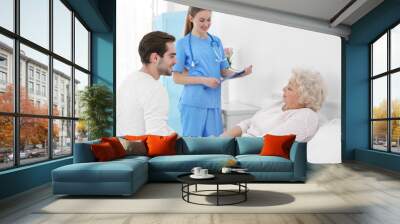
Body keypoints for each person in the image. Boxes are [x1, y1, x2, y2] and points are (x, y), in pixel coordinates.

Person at [172, 6, 253, 137]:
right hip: (193, 103)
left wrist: (241, 73)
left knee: (215, 147)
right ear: (191, 18)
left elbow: (224, 71)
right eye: (202, 20)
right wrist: (204, 80)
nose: (206, 24)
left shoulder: (216, 42)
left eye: (209, 20)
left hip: (214, 102)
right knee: (194, 148)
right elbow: (177, 78)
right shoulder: (183, 43)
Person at [222, 68, 326, 142]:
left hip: (252, 153)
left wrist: (233, 146)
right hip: (242, 144)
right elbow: (248, 123)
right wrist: (222, 138)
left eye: (289, 88)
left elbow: (269, 141)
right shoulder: (280, 104)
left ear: (304, 98)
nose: (283, 89)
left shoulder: (306, 116)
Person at [117, 31, 177, 136]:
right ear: (155, 58)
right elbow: (157, 137)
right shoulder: (155, 88)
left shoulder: (127, 82)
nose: (175, 61)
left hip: (126, 149)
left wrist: (175, 135)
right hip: (144, 151)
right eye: (171, 56)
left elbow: (147, 124)